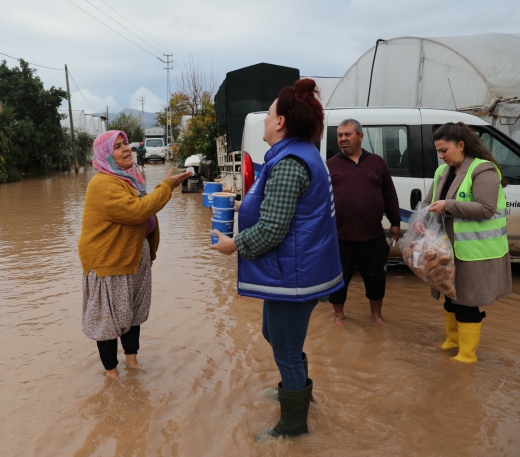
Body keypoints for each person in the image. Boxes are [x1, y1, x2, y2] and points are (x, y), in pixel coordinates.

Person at [210, 79, 344, 439]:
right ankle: (296, 385)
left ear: (281, 122)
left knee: (284, 347)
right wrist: (240, 205)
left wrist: (233, 244)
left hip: (294, 275)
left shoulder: (289, 164)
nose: (266, 121)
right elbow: (284, 211)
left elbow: (271, 229)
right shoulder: (300, 154)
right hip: (297, 269)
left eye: (269, 115)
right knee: (275, 334)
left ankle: (293, 426)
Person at [78, 130, 191, 380]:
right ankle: (112, 375)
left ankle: (132, 363)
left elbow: (143, 208)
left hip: (133, 257)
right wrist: (167, 187)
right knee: (107, 321)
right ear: (106, 156)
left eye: (126, 143)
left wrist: (165, 188)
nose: (126, 149)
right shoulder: (103, 184)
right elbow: (138, 211)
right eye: (117, 147)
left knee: (132, 312)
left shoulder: (128, 179)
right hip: (110, 260)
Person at [418, 122, 511, 363]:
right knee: (450, 296)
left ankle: (467, 355)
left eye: (444, 150)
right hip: (447, 250)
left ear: (461, 145)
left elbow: (487, 209)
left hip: (476, 251)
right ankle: (452, 341)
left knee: (467, 302)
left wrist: (448, 206)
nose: (441, 156)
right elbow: (428, 202)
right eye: (438, 151)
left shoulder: (483, 170)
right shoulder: (442, 172)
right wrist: (421, 220)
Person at [326, 119, 401, 325]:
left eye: (347, 135)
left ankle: (376, 316)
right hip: (340, 237)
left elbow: (389, 194)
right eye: (340, 135)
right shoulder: (330, 165)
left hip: (373, 236)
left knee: (376, 280)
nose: (343, 139)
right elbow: (321, 201)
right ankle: (338, 315)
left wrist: (395, 222)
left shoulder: (377, 162)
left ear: (360, 136)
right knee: (338, 281)